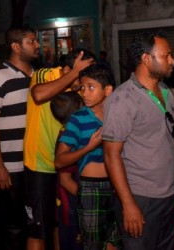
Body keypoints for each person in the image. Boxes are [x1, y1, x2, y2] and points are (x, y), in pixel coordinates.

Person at [102, 31, 174, 250]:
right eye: (166, 55)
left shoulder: (165, 92)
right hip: (141, 198)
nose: (172, 60)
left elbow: (173, 136)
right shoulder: (122, 99)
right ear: (147, 59)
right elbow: (110, 155)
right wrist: (128, 204)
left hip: (169, 195)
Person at [23, 48, 93, 250]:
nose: (83, 83)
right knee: (38, 230)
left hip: (67, 164)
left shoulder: (81, 88)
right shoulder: (46, 74)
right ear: (68, 69)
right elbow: (39, 94)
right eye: (82, 75)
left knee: (59, 224)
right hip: (40, 164)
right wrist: (74, 74)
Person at [0, 25, 40, 250]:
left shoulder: (38, 76)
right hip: (9, 166)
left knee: (33, 223)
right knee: (12, 227)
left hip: (34, 163)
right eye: (31, 41)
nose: (37, 45)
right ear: (16, 46)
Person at [55, 64, 118, 250]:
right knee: (92, 244)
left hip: (118, 185)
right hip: (91, 188)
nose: (84, 93)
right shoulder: (78, 118)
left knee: (116, 242)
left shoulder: (118, 115)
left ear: (108, 90)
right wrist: (89, 147)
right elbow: (59, 161)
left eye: (91, 87)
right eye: (82, 88)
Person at [50, 91, 84, 250]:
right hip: (71, 208)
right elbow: (65, 180)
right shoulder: (68, 141)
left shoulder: (67, 133)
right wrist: (87, 197)